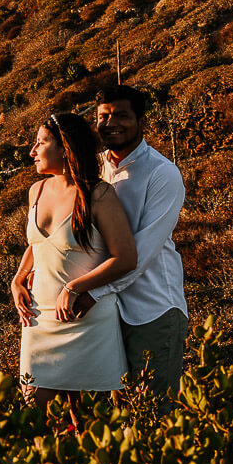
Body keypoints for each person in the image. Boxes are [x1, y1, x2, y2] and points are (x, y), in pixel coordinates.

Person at [9, 112, 137, 409]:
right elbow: (38, 245)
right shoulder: (36, 191)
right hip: (38, 322)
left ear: (65, 148)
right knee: (36, 419)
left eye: (40, 143)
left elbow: (126, 257)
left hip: (86, 321)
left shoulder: (98, 194)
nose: (32, 151)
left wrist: (75, 288)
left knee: (95, 427)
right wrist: (18, 278)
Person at [66, 85, 189, 394]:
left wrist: (92, 292)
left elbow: (144, 251)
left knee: (154, 410)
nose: (111, 124)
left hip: (152, 309)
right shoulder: (94, 170)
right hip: (104, 311)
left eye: (122, 115)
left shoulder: (162, 173)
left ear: (141, 121)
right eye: (103, 117)